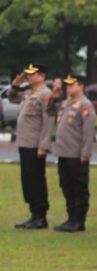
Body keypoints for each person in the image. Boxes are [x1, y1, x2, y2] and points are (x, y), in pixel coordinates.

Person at [8, 63, 57, 229]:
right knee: (27, 179)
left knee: (36, 179)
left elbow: (48, 120)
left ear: (42, 76)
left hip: (35, 145)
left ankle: (40, 216)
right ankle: (33, 213)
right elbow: (11, 97)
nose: (28, 77)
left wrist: (43, 146)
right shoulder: (30, 93)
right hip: (25, 143)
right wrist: (16, 83)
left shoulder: (46, 94)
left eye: (32, 74)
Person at [52, 74, 96, 233]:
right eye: (67, 85)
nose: (68, 88)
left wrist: (86, 153)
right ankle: (71, 218)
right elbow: (50, 112)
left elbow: (88, 131)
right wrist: (54, 98)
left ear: (81, 86)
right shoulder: (65, 103)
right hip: (63, 152)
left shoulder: (85, 105)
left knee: (79, 187)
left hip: (76, 154)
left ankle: (79, 220)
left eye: (72, 85)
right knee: (66, 186)